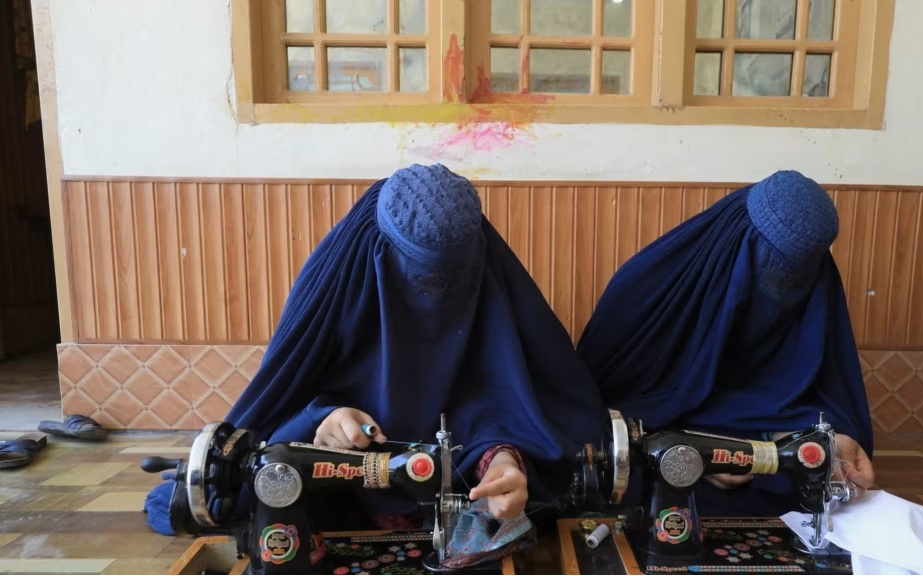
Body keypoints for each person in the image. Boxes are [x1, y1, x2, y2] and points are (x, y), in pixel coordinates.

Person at [144, 164, 604, 537]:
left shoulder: (492, 293)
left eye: (448, 282)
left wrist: (504, 460)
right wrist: (321, 422)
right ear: (377, 249)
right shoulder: (336, 292)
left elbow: (505, 401)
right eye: (417, 277)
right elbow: (280, 413)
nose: (432, 298)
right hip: (342, 493)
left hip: (457, 485)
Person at [575, 170, 875, 517]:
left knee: (817, 478)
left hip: (763, 448)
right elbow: (599, 409)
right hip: (664, 445)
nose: (781, 286)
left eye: (797, 272)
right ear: (736, 238)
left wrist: (825, 441)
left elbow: (827, 396)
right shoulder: (649, 287)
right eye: (770, 265)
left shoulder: (814, 293)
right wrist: (698, 448)